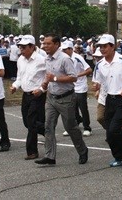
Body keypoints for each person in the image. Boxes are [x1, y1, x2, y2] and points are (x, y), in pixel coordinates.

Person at [35, 33, 88, 165]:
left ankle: (82, 150)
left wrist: (55, 79)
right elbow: (48, 76)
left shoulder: (65, 59)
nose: (45, 46)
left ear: (57, 44)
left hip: (66, 98)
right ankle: (50, 156)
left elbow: (73, 77)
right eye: (44, 43)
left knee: (70, 127)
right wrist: (45, 84)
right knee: (48, 126)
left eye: (48, 43)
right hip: (51, 98)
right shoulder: (47, 59)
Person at [92, 34, 122, 167]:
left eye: (105, 46)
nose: (102, 49)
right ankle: (119, 157)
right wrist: (96, 86)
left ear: (113, 46)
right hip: (109, 99)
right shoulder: (100, 64)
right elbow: (98, 81)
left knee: (114, 129)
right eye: (100, 47)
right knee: (109, 133)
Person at [10, 35, 46, 160]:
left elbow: (49, 78)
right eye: (20, 47)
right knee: (27, 122)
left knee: (31, 122)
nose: (21, 50)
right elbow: (20, 77)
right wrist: (15, 86)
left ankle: (32, 151)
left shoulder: (42, 60)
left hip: (37, 95)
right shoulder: (21, 60)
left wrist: (41, 89)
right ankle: (47, 131)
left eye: (24, 47)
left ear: (32, 47)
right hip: (26, 95)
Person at [61, 40, 93, 137]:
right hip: (70, 87)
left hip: (80, 86)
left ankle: (87, 127)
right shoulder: (63, 59)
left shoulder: (78, 58)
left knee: (82, 107)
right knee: (71, 108)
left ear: (71, 49)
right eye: (62, 50)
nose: (63, 51)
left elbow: (89, 70)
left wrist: (78, 75)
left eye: (65, 50)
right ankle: (74, 124)